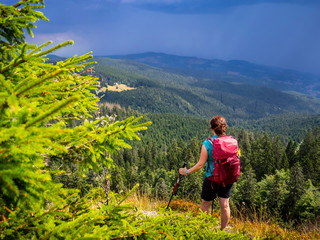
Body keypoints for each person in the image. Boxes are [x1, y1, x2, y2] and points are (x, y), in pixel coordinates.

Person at [179, 115, 233, 231]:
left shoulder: (207, 144)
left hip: (212, 178)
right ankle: (222, 231)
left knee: (205, 204)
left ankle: (204, 229)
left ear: (212, 128)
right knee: (225, 205)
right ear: (224, 128)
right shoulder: (232, 141)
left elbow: (200, 165)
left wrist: (186, 171)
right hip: (227, 179)